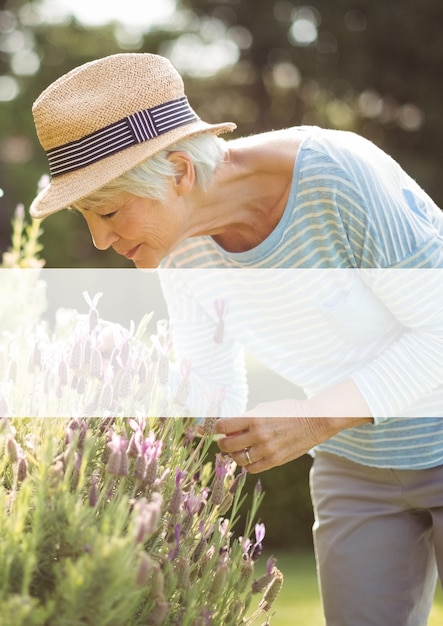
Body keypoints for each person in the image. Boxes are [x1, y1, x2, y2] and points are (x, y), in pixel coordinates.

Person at [30, 53, 443, 625]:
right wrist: (117, 392)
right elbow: (214, 392)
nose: (99, 240)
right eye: (87, 218)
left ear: (179, 171)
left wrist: (313, 419)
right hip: (355, 467)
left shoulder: (336, 174)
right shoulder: (180, 251)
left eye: (107, 211)